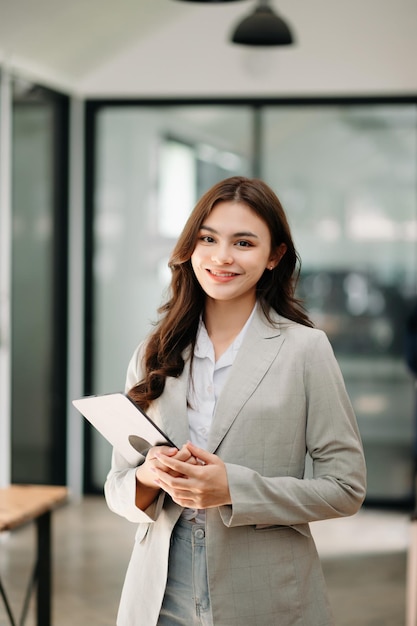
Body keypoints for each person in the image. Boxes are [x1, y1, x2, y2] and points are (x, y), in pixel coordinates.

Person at [104, 176, 367, 626]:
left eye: (243, 242)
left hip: (267, 595)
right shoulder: (155, 351)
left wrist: (232, 489)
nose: (222, 256)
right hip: (159, 594)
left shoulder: (305, 350)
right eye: (208, 238)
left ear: (274, 256)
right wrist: (148, 476)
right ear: (189, 247)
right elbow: (117, 487)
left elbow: (345, 489)